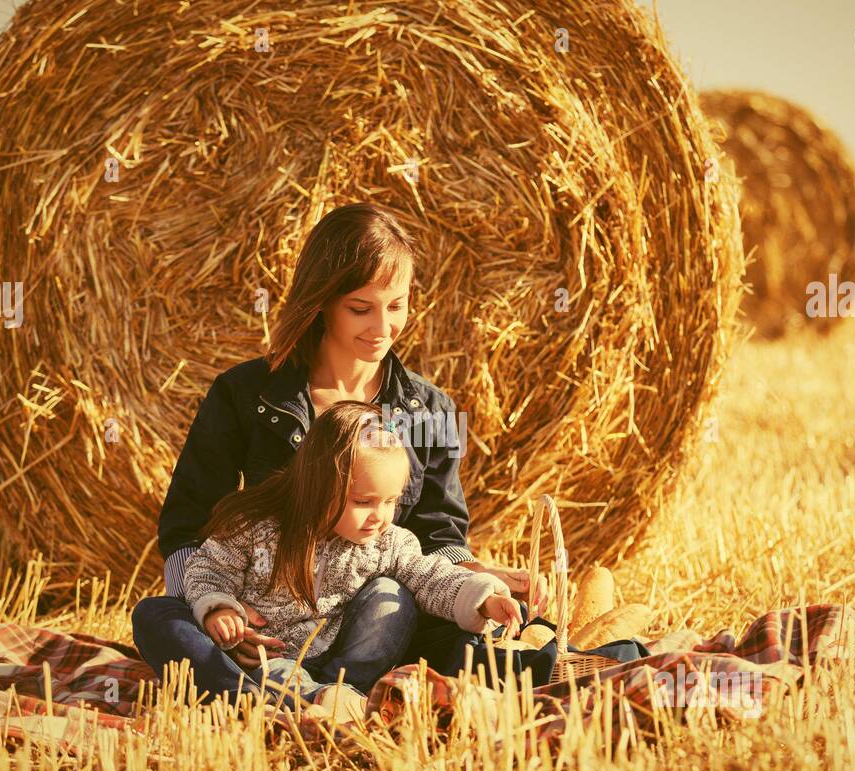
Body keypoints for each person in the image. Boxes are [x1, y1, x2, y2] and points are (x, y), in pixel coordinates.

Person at [132, 201, 548, 693]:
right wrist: (218, 610)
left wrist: (484, 578)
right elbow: (187, 528)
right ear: (321, 299)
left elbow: (438, 538)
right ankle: (279, 697)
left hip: (378, 617)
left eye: (396, 305)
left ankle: (317, 695)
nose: (382, 327)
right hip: (263, 621)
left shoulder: (429, 412)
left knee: (458, 637)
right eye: (360, 308)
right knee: (159, 619)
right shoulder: (246, 395)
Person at [133, 403, 525, 707]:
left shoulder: (387, 540)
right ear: (320, 484)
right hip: (265, 658)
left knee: (394, 593)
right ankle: (268, 699)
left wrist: (484, 598)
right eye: (364, 501)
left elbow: (430, 575)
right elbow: (208, 570)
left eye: (391, 501)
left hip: (344, 661)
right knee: (153, 614)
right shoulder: (254, 526)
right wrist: (219, 610)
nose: (380, 515)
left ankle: (336, 695)